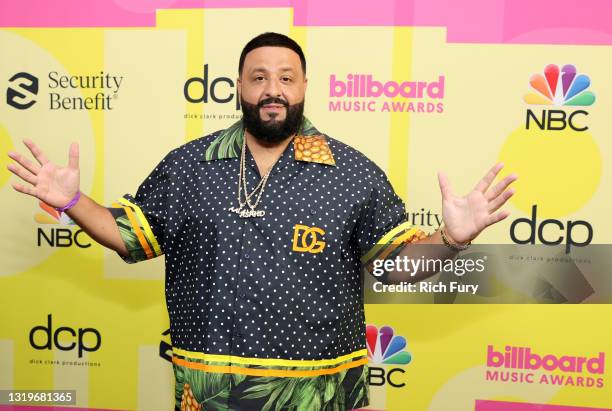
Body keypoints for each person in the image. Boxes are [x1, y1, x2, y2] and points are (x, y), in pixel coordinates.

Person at [7, 32, 517, 411]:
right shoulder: (189, 165)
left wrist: (451, 238)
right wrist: (73, 200)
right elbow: (128, 235)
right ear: (239, 88)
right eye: (259, 77)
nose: (273, 89)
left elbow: (396, 267)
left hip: (324, 389)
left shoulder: (354, 173)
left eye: (286, 78)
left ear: (303, 88)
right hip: (211, 389)